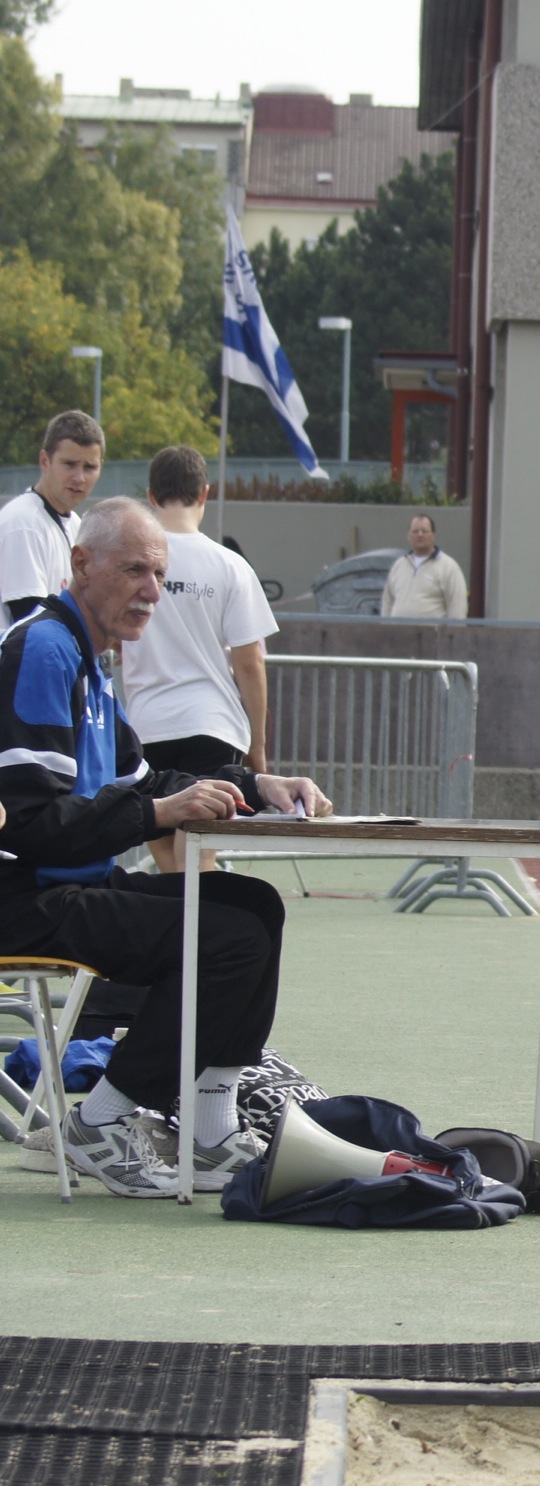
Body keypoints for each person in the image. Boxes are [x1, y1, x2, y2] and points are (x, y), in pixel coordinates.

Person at [0, 498, 331, 1198]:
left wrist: (254, 783)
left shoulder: (91, 659)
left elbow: (147, 779)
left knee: (254, 907)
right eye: (135, 571)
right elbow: (29, 823)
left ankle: (209, 1130)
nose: (152, 591)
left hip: (65, 885)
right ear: (80, 565)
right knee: (226, 937)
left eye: (159, 573)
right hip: (24, 898)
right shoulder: (44, 650)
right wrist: (154, 812)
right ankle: (101, 1121)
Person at [117, 447, 279, 874]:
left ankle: (182, 936)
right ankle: (202, 937)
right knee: (201, 849)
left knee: (167, 853)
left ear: (150, 496)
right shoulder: (229, 565)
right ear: (205, 493)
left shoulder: (132, 564)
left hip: (148, 721)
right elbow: (249, 661)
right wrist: (258, 745)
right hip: (212, 723)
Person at [0, 411, 104, 622]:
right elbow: (30, 624)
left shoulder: (76, 524)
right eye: (69, 464)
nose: (79, 477)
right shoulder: (23, 524)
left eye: (90, 467)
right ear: (45, 461)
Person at [378, 513, 468, 619]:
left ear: (433, 535)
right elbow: (387, 603)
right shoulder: (398, 566)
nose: (420, 535)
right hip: (399, 634)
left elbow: (457, 608)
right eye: (415, 531)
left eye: (424, 531)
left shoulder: (449, 567)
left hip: (432, 635)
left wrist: (452, 634)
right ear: (409, 536)